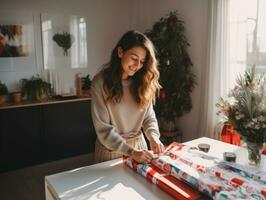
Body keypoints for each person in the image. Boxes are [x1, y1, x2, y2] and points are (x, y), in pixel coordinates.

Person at [91, 30, 165, 164]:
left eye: (142, 61)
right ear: (120, 52)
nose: (138, 66)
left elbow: (148, 117)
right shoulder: (100, 83)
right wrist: (131, 152)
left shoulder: (143, 82)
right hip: (110, 152)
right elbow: (104, 130)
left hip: (140, 150)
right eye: (134, 58)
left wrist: (154, 137)